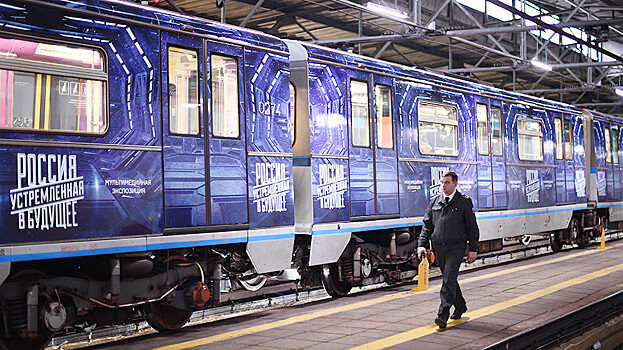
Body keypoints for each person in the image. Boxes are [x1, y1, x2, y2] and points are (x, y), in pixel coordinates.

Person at [417, 171, 479, 329]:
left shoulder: (464, 202)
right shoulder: (435, 202)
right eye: (442, 182)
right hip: (439, 247)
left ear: (455, 184)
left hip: (456, 247)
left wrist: (473, 249)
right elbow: (427, 226)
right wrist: (421, 245)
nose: (443, 186)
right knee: (449, 279)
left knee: (448, 279)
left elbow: (472, 228)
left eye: (447, 183)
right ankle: (460, 305)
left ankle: (442, 315)